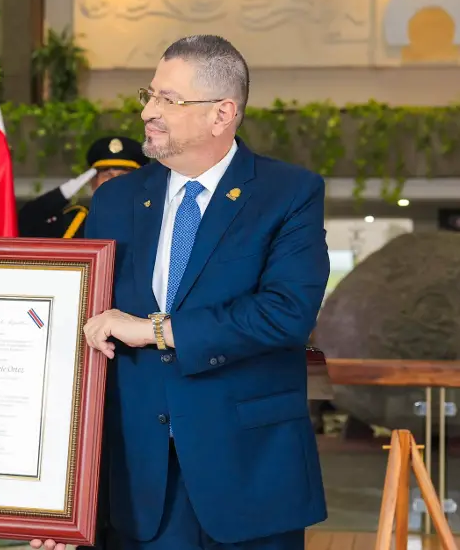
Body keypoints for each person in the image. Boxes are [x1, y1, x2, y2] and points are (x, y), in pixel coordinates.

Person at [78, 35, 329, 549]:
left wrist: (153, 331)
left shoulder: (289, 194)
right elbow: (84, 321)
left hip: (251, 476)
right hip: (141, 482)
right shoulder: (115, 201)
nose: (148, 110)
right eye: (149, 94)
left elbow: (286, 314)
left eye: (168, 100)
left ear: (222, 114)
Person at [17, 136, 148, 239]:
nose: (114, 182)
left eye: (122, 176)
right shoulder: (73, 222)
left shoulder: (151, 221)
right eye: (107, 175)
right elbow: (21, 225)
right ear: (93, 183)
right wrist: (64, 191)